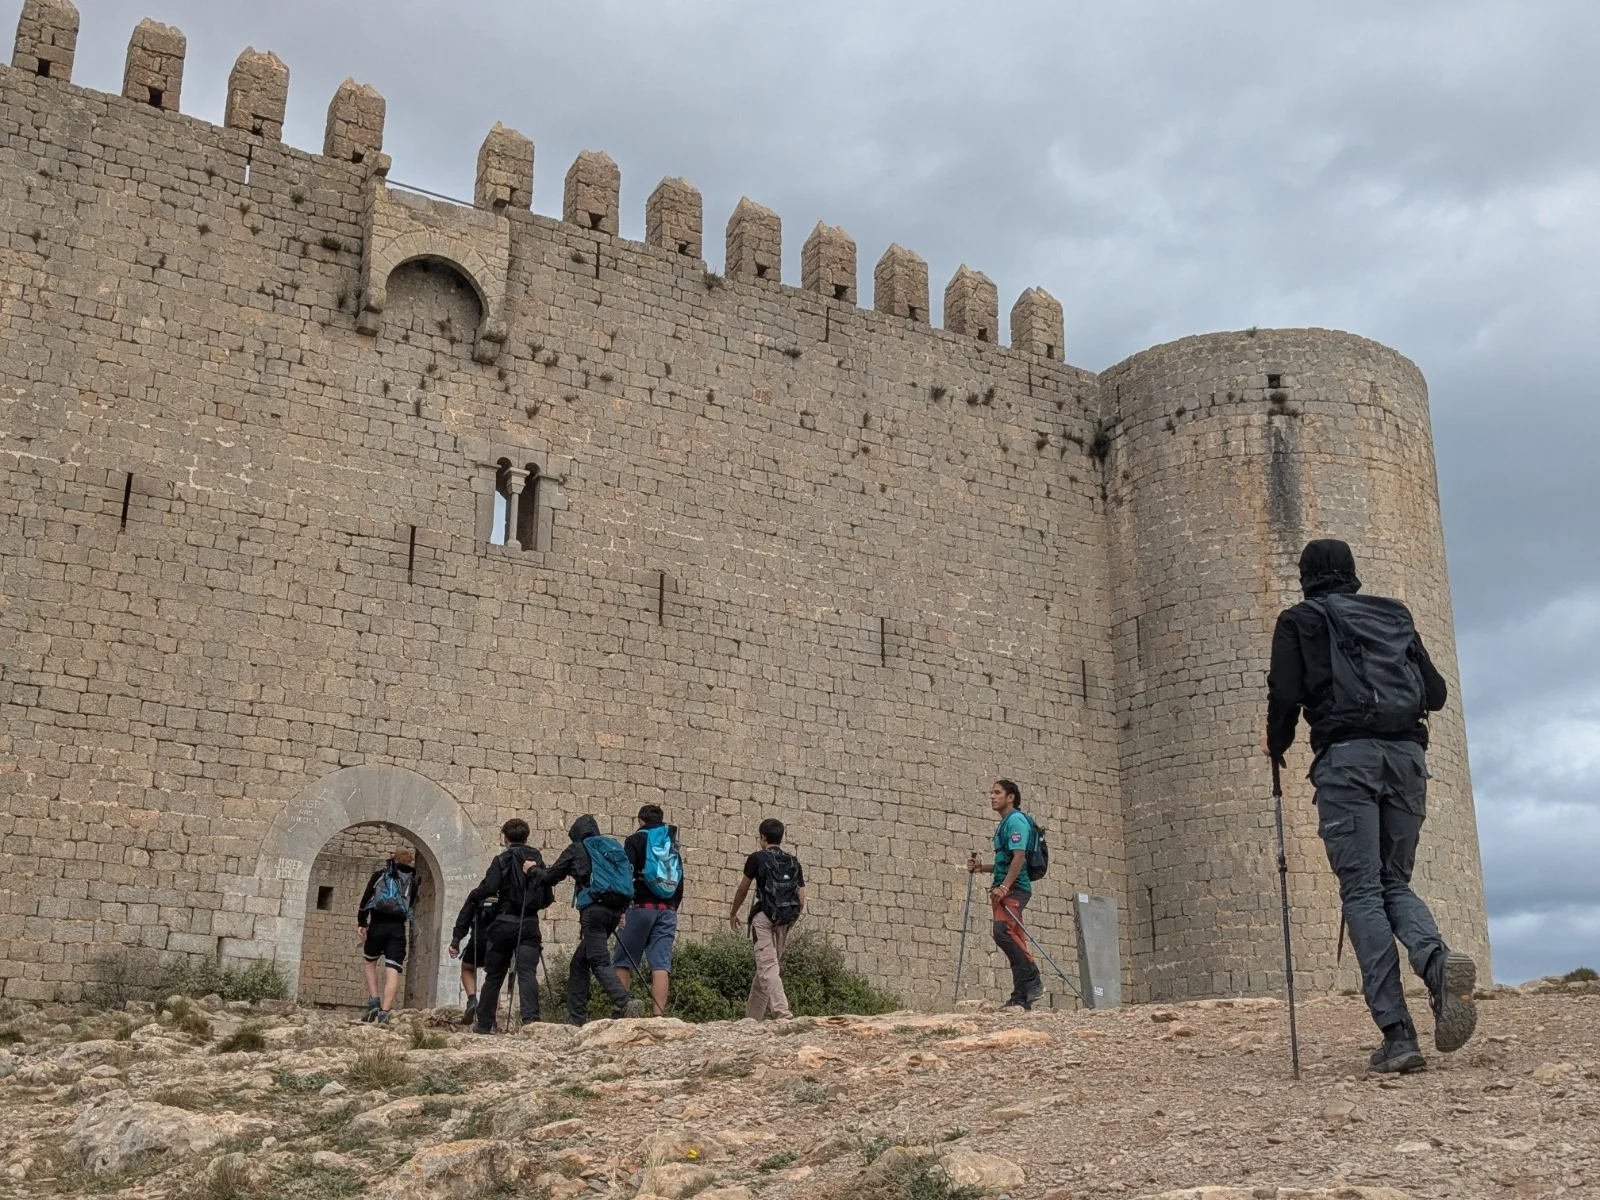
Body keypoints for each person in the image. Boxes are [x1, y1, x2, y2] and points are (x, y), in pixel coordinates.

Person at [1266, 537, 1477, 1074]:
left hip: (1347, 761)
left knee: (1361, 890)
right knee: (1394, 882)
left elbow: (1285, 695)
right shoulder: (1394, 615)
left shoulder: (1300, 620)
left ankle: (1398, 1034)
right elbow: (1435, 693)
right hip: (1407, 757)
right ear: (1353, 573)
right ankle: (1435, 963)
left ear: (1306, 575)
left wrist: (1277, 743)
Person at [540, 815, 646, 1025]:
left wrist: (532, 870)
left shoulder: (576, 849)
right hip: (615, 911)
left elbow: (550, 877)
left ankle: (625, 1002)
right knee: (579, 962)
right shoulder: (610, 847)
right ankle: (576, 1018)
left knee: (598, 960)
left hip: (594, 910)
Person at [453, 819, 549, 1034]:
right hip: (530, 923)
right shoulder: (537, 859)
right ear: (527, 837)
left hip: (504, 922)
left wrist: (475, 896)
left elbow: (490, 887)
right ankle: (531, 1021)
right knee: (527, 972)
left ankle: (484, 1025)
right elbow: (547, 894)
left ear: (505, 837)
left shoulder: (502, 859)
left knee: (495, 975)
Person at [966, 779, 1043, 1011]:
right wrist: (982, 868)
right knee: (1014, 938)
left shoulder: (1016, 820)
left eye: (997, 793)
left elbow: (1019, 856)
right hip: (1005, 888)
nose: (992, 796)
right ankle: (1022, 997)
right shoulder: (1004, 824)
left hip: (1014, 889)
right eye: (991, 792)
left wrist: (1005, 887)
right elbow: (1005, 861)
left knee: (1002, 933)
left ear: (1011, 797)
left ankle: (1031, 983)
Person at [729, 818, 805, 1020]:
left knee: (767, 967)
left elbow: (743, 889)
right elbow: (801, 899)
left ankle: (782, 1012)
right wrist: (790, 920)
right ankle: (752, 1019)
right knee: (766, 967)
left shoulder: (756, 858)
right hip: (785, 919)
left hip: (763, 917)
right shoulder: (792, 862)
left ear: (763, 836)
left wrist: (733, 912)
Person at [613, 804, 684, 1017]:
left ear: (640, 820)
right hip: (667, 908)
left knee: (623, 960)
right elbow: (679, 879)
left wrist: (621, 907)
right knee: (661, 964)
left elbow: (626, 874)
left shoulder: (635, 840)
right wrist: (672, 907)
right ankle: (659, 1016)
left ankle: (623, 1011)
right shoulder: (671, 843)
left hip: (640, 906)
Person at [357, 848, 419, 1026]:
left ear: (393, 859)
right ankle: (384, 1012)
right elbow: (410, 907)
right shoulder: (412, 882)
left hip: (377, 926)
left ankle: (374, 1000)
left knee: (370, 962)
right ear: (409, 863)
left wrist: (362, 923)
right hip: (397, 930)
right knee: (392, 970)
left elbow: (365, 901)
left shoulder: (379, 875)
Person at [447, 888, 493, 1027]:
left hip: (477, 940)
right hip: (498, 941)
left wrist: (456, 941)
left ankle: (472, 1000)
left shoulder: (478, 893)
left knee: (467, 968)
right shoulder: (507, 891)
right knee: (495, 977)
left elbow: (464, 917)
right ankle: (492, 1016)